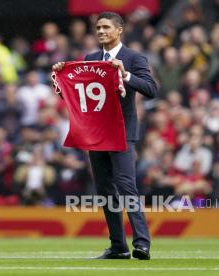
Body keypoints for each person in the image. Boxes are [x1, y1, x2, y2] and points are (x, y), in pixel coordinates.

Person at [52, 11, 157, 260]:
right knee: (105, 191)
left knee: (126, 186)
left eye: (106, 27)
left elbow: (151, 88)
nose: (100, 31)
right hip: (97, 133)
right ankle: (118, 246)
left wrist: (126, 75)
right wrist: (61, 75)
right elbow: (79, 95)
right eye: (98, 27)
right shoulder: (90, 58)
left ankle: (142, 243)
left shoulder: (132, 57)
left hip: (121, 132)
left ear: (119, 30)